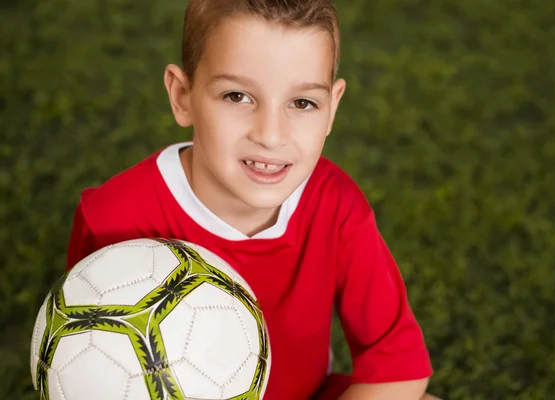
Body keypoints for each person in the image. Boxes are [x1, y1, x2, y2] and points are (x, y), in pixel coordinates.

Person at [66, 1, 440, 399]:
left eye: (302, 103)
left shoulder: (334, 204)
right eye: (237, 96)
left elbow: (397, 364)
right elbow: (83, 363)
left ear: (332, 107)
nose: (270, 134)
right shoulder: (113, 218)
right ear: (182, 96)